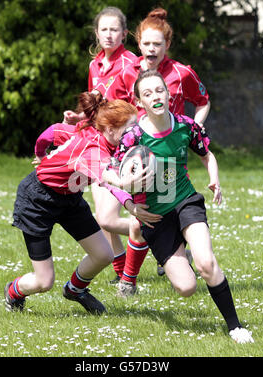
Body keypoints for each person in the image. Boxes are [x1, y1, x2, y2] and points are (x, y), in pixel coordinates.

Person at [103, 69, 254, 344]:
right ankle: (178, 250)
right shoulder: (133, 137)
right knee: (186, 287)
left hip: (186, 201)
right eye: (147, 94)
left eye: (159, 90)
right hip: (155, 218)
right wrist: (128, 194)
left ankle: (236, 327)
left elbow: (206, 154)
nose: (155, 96)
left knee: (207, 263)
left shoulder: (185, 125)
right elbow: (108, 173)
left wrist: (214, 179)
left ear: (168, 93)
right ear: (140, 102)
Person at [4, 91, 161, 315]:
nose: (134, 134)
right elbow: (108, 177)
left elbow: (52, 133)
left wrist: (129, 205)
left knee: (104, 255)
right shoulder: (92, 148)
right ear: (110, 129)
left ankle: (75, 290)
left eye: (135, 128)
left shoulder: (108, 141)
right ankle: (13, 292)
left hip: (70, 199)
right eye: (129, 129)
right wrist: (40, 155)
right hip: (37, 200)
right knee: (44, 281)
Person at [106, 7, 210, 278]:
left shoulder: (181, 72)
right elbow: (111, 107)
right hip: (138, 156)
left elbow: (203, 101)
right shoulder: (128, 73)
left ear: (167, 45)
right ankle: (148, 267)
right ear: (138, 44)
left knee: (148, 218)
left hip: (171, 156)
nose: (151, 49)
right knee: (136, 218)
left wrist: (196, 127)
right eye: (146, 43)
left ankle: (134, 276)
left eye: (157, 44)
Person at [62, 7, 137, 283]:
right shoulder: (95, 65)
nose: (108, 34)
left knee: (107, 218)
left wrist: (130, 137)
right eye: (104, 29)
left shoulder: (132, 64)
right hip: (98, 142)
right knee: (101, 215)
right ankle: (122, 274)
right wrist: (79, 117)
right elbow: (96, 107)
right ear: (96, 33)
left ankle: (163, 233)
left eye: (114, 29)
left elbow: (138, 108)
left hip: (123, 146)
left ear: (124, 34)